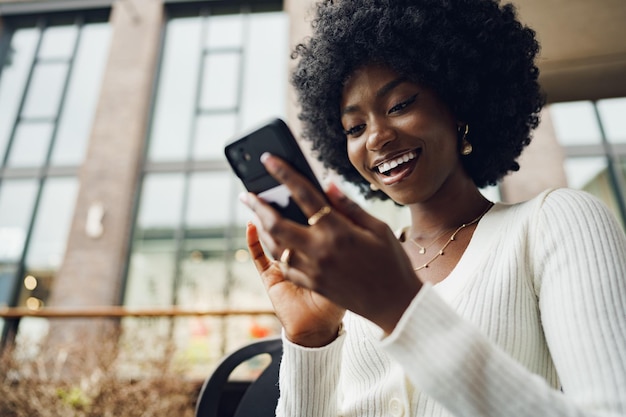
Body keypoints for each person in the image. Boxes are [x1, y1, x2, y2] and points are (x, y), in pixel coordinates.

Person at [240, 0, 626, 415]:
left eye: (401, 105)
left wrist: (399, 307)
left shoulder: (557, 222)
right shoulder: (351, 270)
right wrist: (311, 339)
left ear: (459, 103)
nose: (376, 138)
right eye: (354, 127)